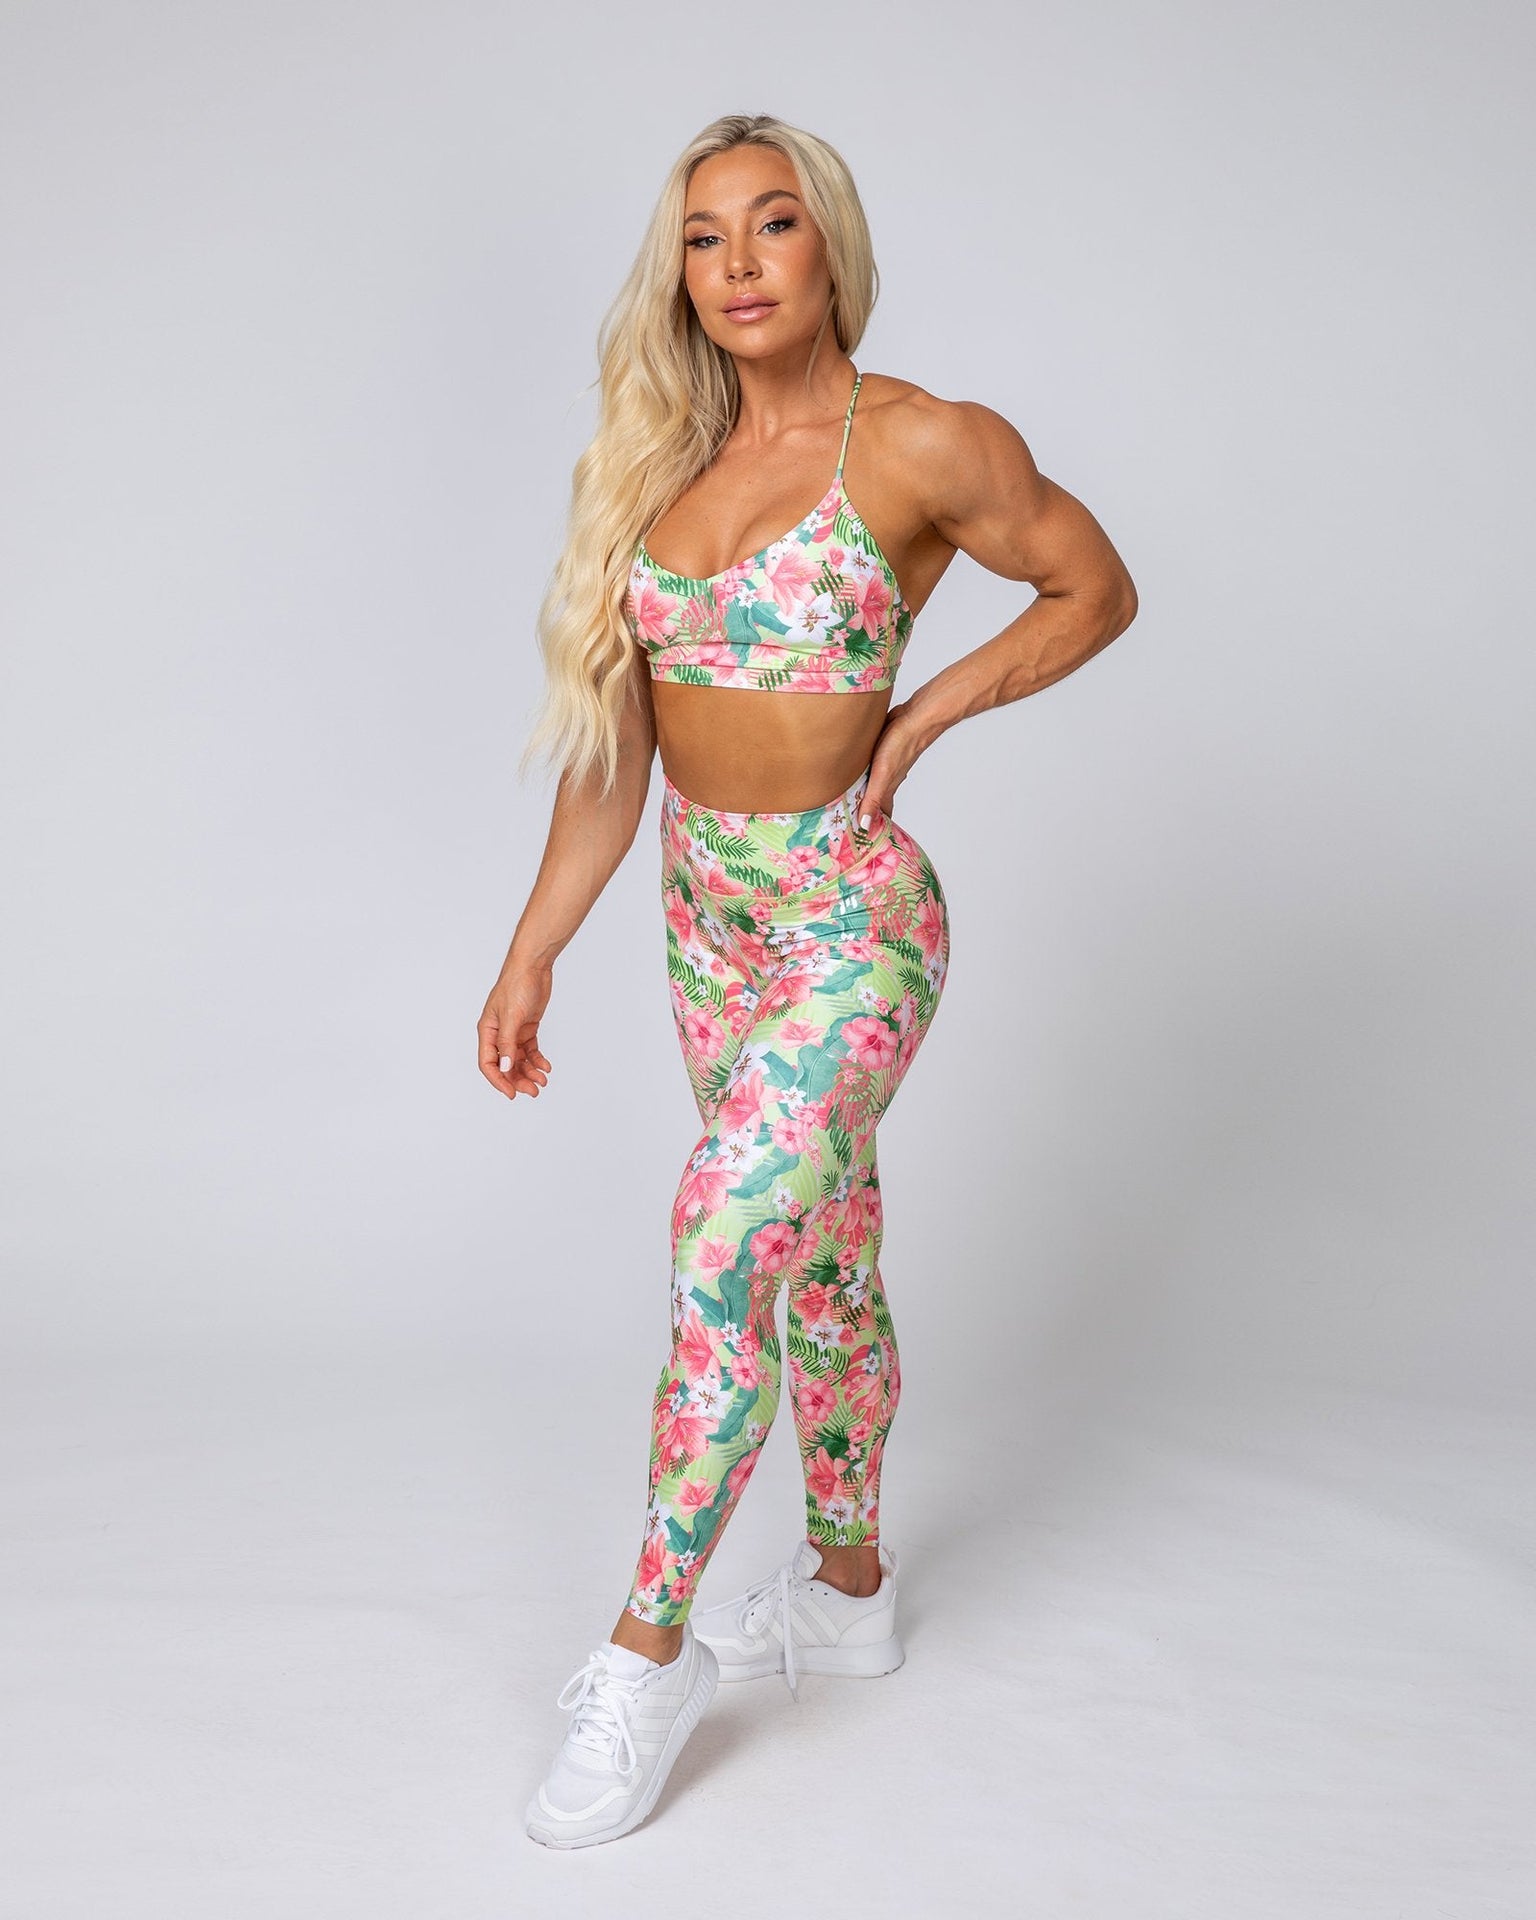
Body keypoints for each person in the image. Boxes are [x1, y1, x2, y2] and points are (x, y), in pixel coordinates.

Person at [480, 113, 1137, 1849]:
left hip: (855, 920)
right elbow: (616, 758)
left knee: (722, 1239)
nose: (740, 262)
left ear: (829, 243)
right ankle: (848, 1592)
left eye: (773, 223)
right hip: (706, 924)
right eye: (705, 237)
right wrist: (533, 948)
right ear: (680, 276)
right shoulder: (656, 469)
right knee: (818, 1260)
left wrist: (922, 717)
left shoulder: (918, 442)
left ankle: (648, 1652)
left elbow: (1092, 585)